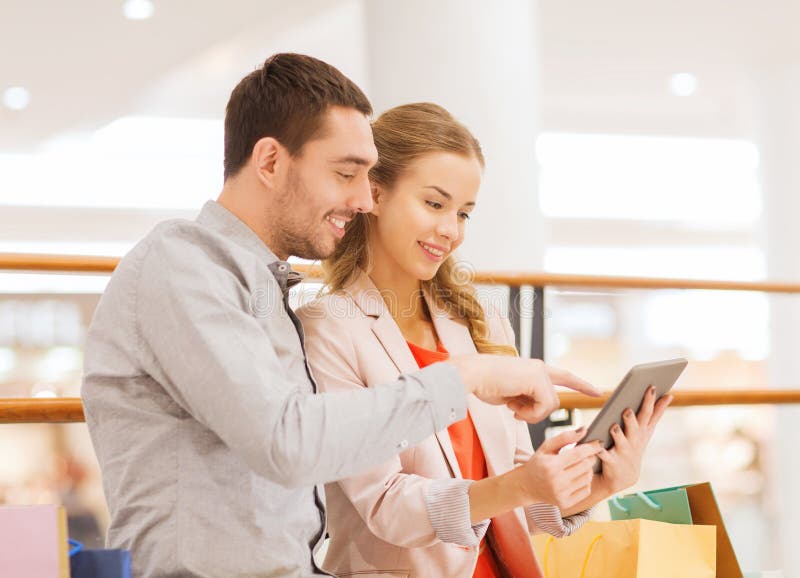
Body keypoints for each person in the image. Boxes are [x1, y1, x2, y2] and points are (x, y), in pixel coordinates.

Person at [81, 54, 601, 578]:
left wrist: (584, 480)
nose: (361, 198)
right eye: (347, 173)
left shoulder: (265, 292)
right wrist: (466, 377)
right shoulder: (182, 266)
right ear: (269, 162)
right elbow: (289, 443)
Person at [297, 103, 673, 578]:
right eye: (434, 204)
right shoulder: (328, 328)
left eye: (464, 213)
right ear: (374, 193)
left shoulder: (480, 323)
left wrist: (597, 482)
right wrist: (521, 484)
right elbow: (387, 506)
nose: (451, 231)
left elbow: (515, 496)